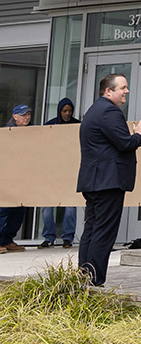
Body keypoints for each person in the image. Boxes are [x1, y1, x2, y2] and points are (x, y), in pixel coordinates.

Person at [77, 74, 141, 287]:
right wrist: (138, 135)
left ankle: (84, 276)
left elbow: (116, 142)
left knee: (92, 229)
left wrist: (137, 137)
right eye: (123, 87)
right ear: (108, 91)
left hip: (95, 180)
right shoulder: (110, 111)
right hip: (108, 181)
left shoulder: (95, 110)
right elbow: (124, 143)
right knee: (103, 232)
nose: (127, 91)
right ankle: (94, 280)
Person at [40, 98, 80, 249]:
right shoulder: (50, 125)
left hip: (70, 172)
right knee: (47, 206)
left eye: (70, 111)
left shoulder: (77, 125)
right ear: (59, 111)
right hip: (51, 172)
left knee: (70, 206)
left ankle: (67, 238)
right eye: (65, 111)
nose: (67, 114)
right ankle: (48, 237)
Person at [0, 104, 33, 252]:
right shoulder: (7, 132)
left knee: (19, 210)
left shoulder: (33, 132)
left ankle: (8, 239)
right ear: (15, 116)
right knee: (4, 210)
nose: (26, 118)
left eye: (28, 115)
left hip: (24, 178)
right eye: (23, 115)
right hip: (8, 178)